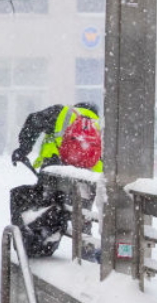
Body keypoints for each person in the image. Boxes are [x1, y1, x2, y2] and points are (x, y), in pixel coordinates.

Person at [8, 103, 102, 258]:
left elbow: (33, 121)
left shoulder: (62, 112)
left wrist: (24, 149)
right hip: (87, 177)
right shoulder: (99, 124)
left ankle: (40, 243)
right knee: (83, 217)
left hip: (55, 172)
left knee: (48, 208)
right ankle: (86, 255)